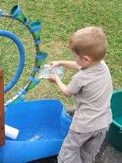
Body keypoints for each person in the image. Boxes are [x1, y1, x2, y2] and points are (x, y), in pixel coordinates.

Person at [48, 26, 113, 163]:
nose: (74, 58)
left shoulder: (80, 78)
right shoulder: (102, 65)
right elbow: (79, 65)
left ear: (86, 59)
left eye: (75, 56)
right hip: (103, 124)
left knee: (68, 153)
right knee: (87, 155)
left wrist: (56, 79)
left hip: (83, 126)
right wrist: (61, 63)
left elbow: (67, 92)